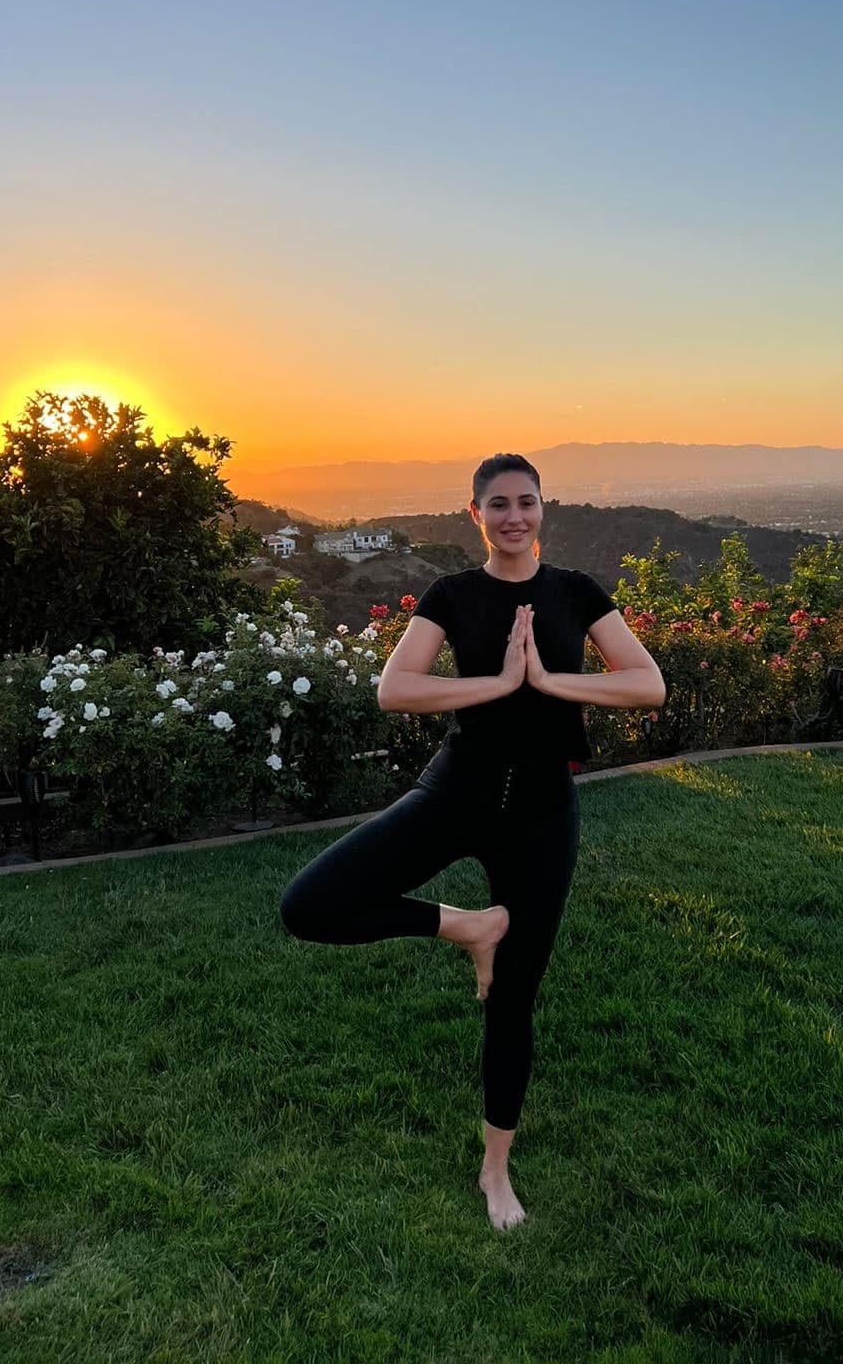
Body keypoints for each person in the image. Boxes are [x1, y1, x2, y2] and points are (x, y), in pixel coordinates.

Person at [278, 453, 666, 1229]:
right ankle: (467, 926)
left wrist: (552, 682)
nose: (514, 516)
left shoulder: (576, 593)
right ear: (475, 512)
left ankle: (496, 1171)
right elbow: (398, 689)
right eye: (499, 504)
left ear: (543, 510)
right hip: (456, 791)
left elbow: (646, 682)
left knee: (513, 999)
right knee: (310, 904)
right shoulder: (452, 595)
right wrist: (498, 683)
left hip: (543, 811)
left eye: (526, 502)